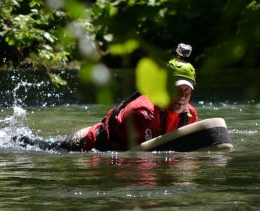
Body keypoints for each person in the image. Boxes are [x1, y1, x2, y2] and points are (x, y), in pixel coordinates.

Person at [16, 44, 198, 152]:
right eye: (175, 90)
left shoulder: (189, 115)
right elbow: (143, 160)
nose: (181, 97)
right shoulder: (143, 113)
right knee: (43, 148)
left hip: (114, 146)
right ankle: (19, 140)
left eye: (186, 91)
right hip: (86, 145)